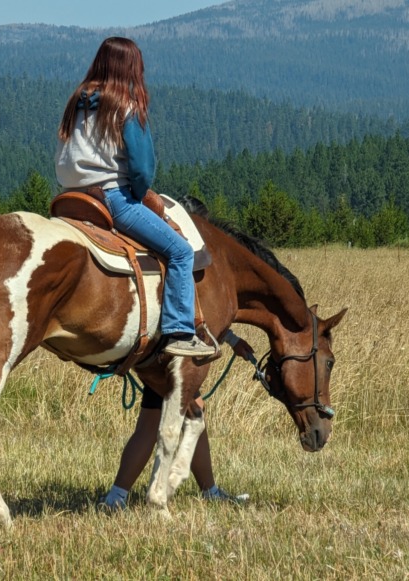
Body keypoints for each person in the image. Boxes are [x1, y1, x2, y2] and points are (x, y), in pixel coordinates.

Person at [55, 36, 215, 358]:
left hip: (69, 198)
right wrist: (140, 195)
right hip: (112, 199)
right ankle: (179, 331)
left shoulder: (77, 101)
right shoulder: (126, 106)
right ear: (129, 68)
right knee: (181, 252)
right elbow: (142, 168)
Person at [100, 329, 255, 510]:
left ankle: (210, 491)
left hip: (163, 349)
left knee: (193, 415)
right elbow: (196, 308)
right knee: (150, 427)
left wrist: (232, 339)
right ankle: (116, 498)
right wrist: (232, 339)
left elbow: (202, 309)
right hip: (173, 354)